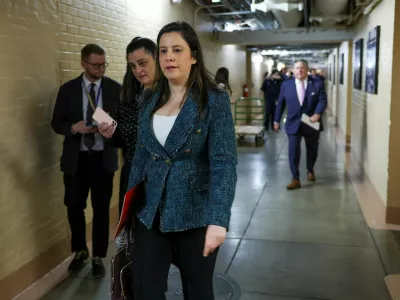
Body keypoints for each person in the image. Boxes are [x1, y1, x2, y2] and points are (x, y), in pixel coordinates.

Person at [126, 21, 237, 299]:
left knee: (197, 290)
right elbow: (141, 157)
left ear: (194, 56)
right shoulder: (150, 100)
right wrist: (128, 209)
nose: (169, 57)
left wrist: (218, 220)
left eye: (177, 50)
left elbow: (224, 163)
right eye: (163, 51)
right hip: (152, 213)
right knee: (144, 289)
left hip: (196, 215)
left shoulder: (214, 101)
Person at [51, 44, 120, 278]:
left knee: (101, 210)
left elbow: (123, 125)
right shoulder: (68, 90)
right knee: (74, 207)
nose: (100, 69)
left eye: (103, 64)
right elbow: (56, 122)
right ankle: (80, 250)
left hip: (102, 159)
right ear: (83, 64)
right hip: (76, 160)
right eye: (95, 65)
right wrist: (73, 127)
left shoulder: (114, 89)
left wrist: (111, 128)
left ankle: (98, 255)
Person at [274, 59, 327, 190]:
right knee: (293, 151)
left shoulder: (317, 83)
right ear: (293, 70)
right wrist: (276, 120)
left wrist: (317, 114)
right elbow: (281, 103)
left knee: (312, 149)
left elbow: (322, 100)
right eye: (297, 68)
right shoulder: (286, 85)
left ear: (307, 69)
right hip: (293, 123)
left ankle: (310, 169)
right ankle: (295, 178)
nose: (300, 70)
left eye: (302, 68)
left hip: (311, 122)